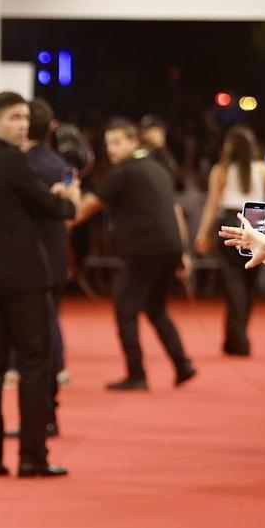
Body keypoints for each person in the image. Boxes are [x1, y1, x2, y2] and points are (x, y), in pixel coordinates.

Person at [0, 92, 77, 478]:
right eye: (13, 118)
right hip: (26, 279)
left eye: (25, 118)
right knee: (33, 366)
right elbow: (53, 209)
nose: (22, 124)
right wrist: (67, 198)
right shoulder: (15, 161)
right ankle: (31, 457)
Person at [71, 119, 196, 391]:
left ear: (132, 142)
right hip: (169, 246)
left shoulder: (123, 172)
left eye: (117, 142)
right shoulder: (157, 168)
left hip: (144, 250)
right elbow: (175, 213)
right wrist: (183, 252)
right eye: (108, 144)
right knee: (156, 308)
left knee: (125, 309)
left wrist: (60, 218)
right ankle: (182, 363)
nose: (112, 149)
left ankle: (136, 374)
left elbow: (86, 208)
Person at [193, 126, 265, 355]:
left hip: (230, 221)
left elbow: (212, 204)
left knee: (233, 282)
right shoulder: (263, 168)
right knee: (248, 283)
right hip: (258, 222)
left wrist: (202, 234)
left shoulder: (221, 170)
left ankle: (238, 340)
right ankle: (234, 338)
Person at [24, 98, 72, 395]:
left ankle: (51, 367)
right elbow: (72, 209)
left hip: (29, 254)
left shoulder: (19, 164)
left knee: (38, 321)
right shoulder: (62, 165)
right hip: (56, 250)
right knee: (51, 314)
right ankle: (58, 366)